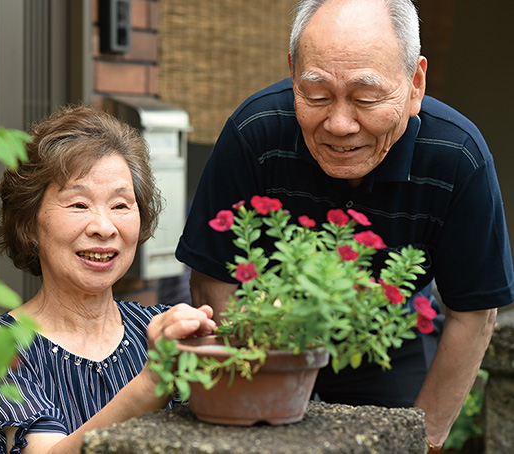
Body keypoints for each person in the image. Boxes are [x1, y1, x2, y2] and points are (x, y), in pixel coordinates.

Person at [175, 0, 514, 451]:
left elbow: (474, 311)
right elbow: (214, 277)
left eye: (366, 98)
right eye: (315, 95)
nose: (338, 124)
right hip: (265, 343)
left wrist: (425, 439)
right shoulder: (255, 131)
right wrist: (247, 387)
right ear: (293, 71)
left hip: (384, 346)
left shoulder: (457, 157)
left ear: (415, 84)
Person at [0, 106, 216, 454]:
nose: (104, 227)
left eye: (120, 205)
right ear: (29, 226)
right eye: (78, 204)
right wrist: (152, 383)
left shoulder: (157, 328)